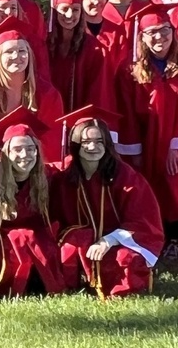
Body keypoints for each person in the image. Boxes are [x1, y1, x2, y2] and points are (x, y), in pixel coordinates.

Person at [109, 4, 178, 258]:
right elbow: (126, 112)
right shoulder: (130, 69)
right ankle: (152, 231)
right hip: (146, 137)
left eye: (165, 30)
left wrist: (175, 146)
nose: (159, 37)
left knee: (177, 180)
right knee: (146, 181)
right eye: (152, 32)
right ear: (142, 38)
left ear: (173, 31)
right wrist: (133, 148)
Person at [50, 105, 164, 298]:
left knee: (125, 259)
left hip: (120, 241)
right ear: (75, 144)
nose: (93, 147)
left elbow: (142, 221)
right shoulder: (65, 174)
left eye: (99, 141)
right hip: (82, 239)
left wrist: (108, 240)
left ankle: (121, 288)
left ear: (108, 143)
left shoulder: (126, 177)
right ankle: (75, 284)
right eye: (85, 141)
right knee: (71, 246)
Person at [0, 109, 66, 296]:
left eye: (30, 148)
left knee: (35, 238)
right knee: (20, 237)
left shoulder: (48, 175)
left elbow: (74, 162)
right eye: (17, 149)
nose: (25, 154)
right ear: (5, 153)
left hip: (37, 240)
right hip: (0, 241)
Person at [0, 16, 63, 159]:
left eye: (22, 51)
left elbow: (52, 139)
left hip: (33, 165)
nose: (17, 56)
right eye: (9, 51)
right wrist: (2, 162)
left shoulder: (47, 94)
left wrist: (27, 162)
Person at [42, 0, 111, 111]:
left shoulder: (93, 48)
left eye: (75, 10)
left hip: (80, 122)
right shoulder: (43, 44)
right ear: (54, 12)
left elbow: (97, 93)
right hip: (48, 116)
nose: (69, 15)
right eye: (64, 9)